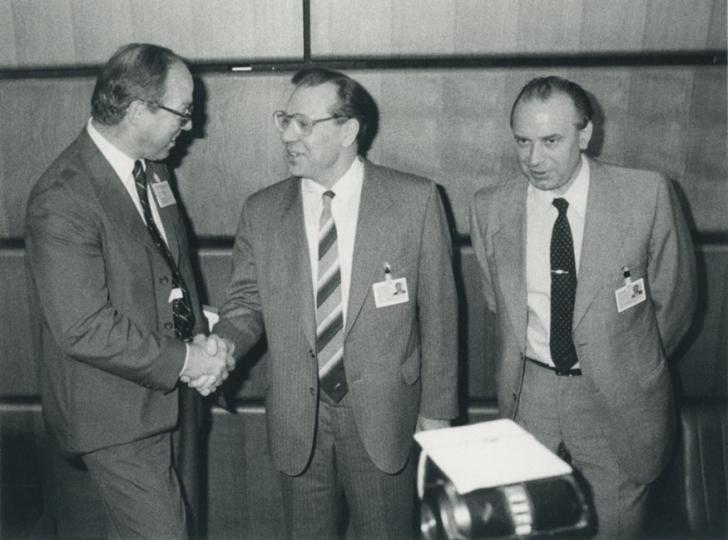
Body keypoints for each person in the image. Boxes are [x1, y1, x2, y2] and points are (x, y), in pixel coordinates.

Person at [212, 68, 458, 539]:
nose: (287, 135)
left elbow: (441, 316)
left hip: (386, 416)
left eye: (303, 123)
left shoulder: (415, 201)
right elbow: (246, 303)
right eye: (285, 120)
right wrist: (222, 345)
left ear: (348, 130)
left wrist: (439, 412)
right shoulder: (261, 211)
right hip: (297, 419)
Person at [470, 76, 697, 538]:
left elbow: (677, 302)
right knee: (527, 525)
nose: (534, 159)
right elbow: (500, 304)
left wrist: (627, 360)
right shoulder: (490, 207)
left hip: (616, 397)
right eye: (523, 142)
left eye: (551, 141)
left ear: (585, 135)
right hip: (529, 392)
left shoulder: (646, 196)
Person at [25, 43, 233, 539]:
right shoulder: (62, 198)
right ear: (140, 109)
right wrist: (187, 360)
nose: (191, 127)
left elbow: (166, 274)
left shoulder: (153, 170)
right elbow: (83, 328)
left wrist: (201, 335)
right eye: (183, 113)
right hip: (116, 417)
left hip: (174, 403)